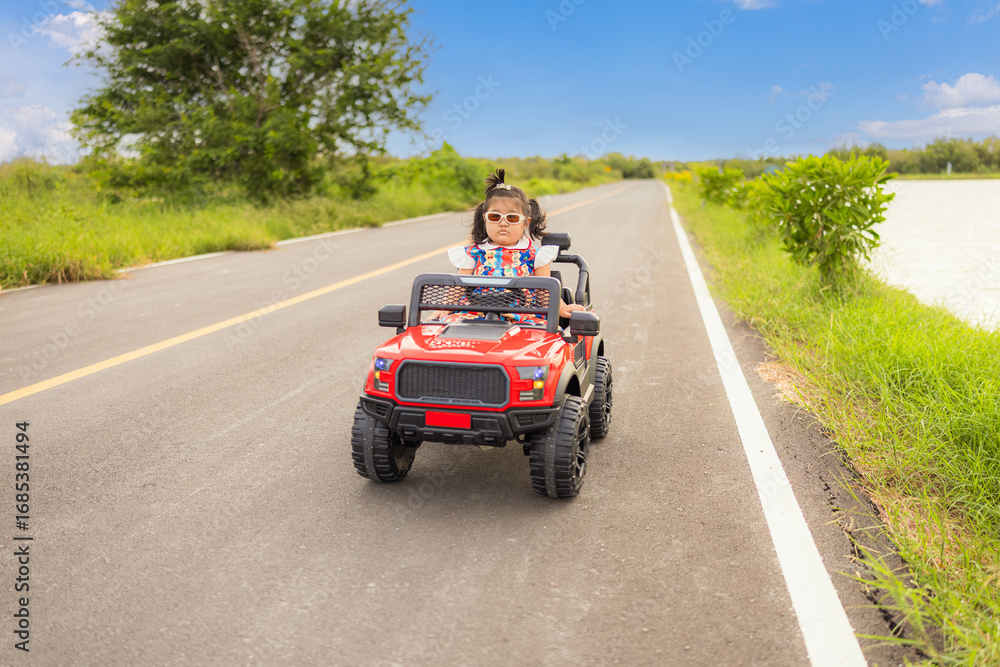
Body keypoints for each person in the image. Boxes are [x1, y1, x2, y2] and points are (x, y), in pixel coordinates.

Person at [440, 169, 585, 325]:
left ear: (525, 223)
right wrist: (442, 310)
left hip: (521, 315)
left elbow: (545, 292)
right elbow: (458, 289)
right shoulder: (472, 254)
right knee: (446, 326)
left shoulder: (536, 256)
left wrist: (562, 308)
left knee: (541, 333)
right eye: (495, 217)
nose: (503, 222)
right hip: (475, 314)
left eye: (512, 217)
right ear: (485, 219)